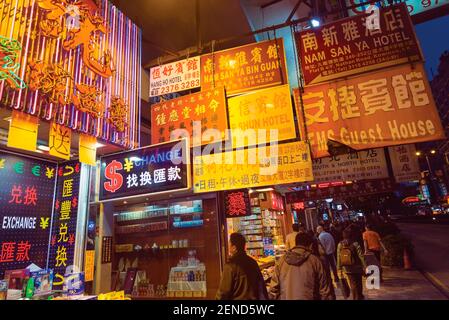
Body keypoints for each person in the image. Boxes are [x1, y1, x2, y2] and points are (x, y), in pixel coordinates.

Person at [269, 232, 334, 300]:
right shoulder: (315, 261)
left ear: (296, 243)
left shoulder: (281, 261)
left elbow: (273, 289)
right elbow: (324, 291)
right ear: (311, 245)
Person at [216, 233, 268, 300]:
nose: (228, 247)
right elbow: (261, 288)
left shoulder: (230, 266)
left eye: (229, 244)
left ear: (234, 248)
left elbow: (223, 292)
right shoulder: (253, 262)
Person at [337, 229, 367, 300]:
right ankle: (359, 296)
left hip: (347, 268)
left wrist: (339, 268)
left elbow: (339, 257)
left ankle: (356, 297)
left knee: (352, 283)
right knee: (359, 282)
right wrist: (365, 266)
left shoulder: (340, 244)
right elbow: (361, 256)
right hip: (357, 267)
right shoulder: (355, 243)